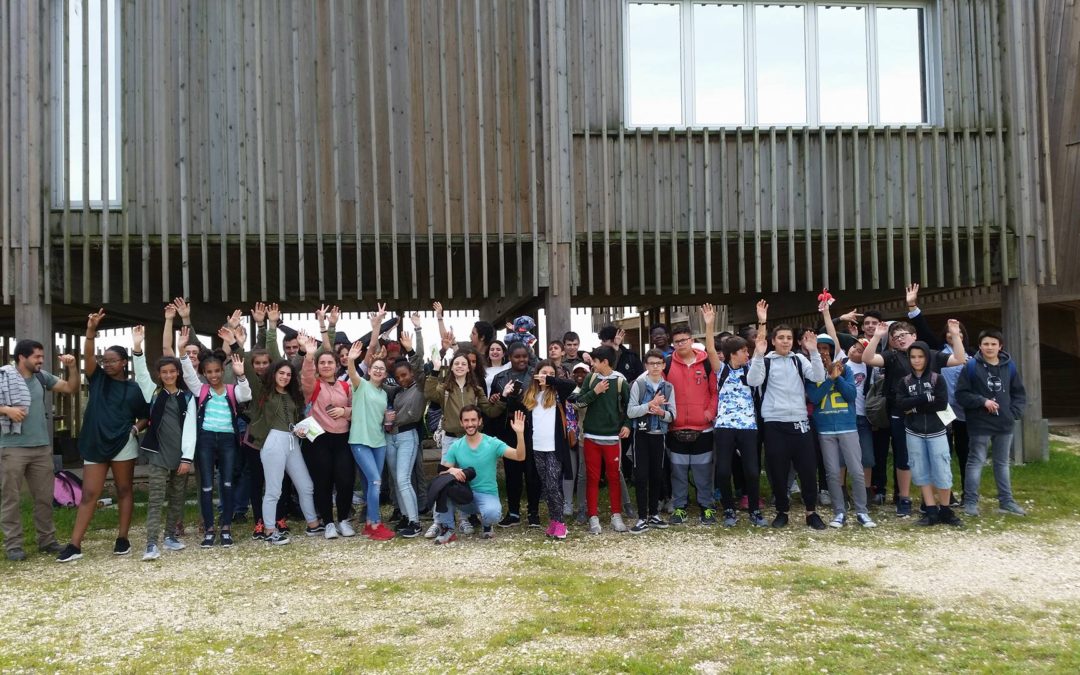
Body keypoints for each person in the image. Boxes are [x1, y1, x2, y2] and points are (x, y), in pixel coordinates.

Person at [58, 310, 151, 562]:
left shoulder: (133, 389)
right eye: (105, 360)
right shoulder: (97, 378)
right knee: (89, 493)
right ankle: (75, 545)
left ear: (124, 363)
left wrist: (135, 429)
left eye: (112, 360)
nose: (107, 364)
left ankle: (122, 539)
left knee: (124, 489)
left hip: (123, 444)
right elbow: (88, 354)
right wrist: (91, 330)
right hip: (95, 442)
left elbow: (145, 415)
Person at [861, 307, 967, 517]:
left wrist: (955, 336)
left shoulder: (932, 355)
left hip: (934, 416)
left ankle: (940, 499)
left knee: (938, 455)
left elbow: (959, 359)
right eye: (896, 337)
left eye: (904, 335)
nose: (900, 339)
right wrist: (878, 337)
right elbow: (867, 358)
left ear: (914, 336)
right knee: (905, 457)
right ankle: (905, 498)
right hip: (902, 414)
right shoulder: (891, 357)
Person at [745, 301, 828, 530]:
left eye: (789, 338)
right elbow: (753, 381)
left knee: (808, 469)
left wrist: (813, 351)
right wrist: (759, 355)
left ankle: (811, 512)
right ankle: (782, 510)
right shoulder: (766, 360)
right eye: (781, 338)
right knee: (777, 470)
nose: (785, 341)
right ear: (773, 341)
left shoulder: (798, 359)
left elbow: (818, 376)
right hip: (774, 423)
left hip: (800, 421)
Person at [0, 340, 79, 561]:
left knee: (44, 497)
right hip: (12, 447)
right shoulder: (3, 377)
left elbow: (71, 388)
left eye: (41, 357)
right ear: (22, 357)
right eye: (37, 357)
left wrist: (72, 367)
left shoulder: (41, 377)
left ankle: (47, 541)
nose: (41, 361)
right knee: (11, 498)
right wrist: (6, 410)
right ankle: (13, 546)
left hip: (41, 447)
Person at [178, 328, 252, 548]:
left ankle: (226, 528)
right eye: (209, 372)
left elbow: (246, 395)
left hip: (229, 439)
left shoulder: (231, 390)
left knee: (227, 483)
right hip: (206, 440)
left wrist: (241, 375)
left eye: (217, 371)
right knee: (207, 487)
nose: (214, 375)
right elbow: (188, 374)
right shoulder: (200, 390)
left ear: (223, 370)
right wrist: (182, 351)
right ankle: (210, 529)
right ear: (204, 372)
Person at [131, 326, 196, 560]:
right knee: (156, 498)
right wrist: (137, 347)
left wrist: (187, 457)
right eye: (164, 372)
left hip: (180, 456)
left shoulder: (187, 398)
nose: (168, 375)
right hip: (157, 453)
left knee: (177, 497)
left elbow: (190, 430)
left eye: (172, 371)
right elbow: (140, 374)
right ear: (159, 374)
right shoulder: (153, 393)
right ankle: (151, 543)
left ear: (178, 373)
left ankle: (170, 537)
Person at [424, 346, 501, 537]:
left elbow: (489, 411)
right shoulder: (445, 389)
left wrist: (503, 398)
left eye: (463, 364)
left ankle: (464, 520)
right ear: (451, 367)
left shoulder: (476, 389)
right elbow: (430, 394)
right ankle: (438, 521)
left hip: (470, 440)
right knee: (444, 479)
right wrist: (434, 370)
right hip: (450, 439)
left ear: (469, 368)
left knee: (465, 478)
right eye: (456, 363)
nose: (460, 366)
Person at [702, 304, 767, 529]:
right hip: (724, 425)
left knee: (751, 469)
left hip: (748, 425)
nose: (747, 354)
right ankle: (728, 508)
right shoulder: (722, 370)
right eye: (743, 351)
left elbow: (760, 346)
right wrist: (709, 325)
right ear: (732, 354)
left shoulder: (752, 369)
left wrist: (762, 322)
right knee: (723, 470)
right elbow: (711, 350)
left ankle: (755, 510)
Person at [246, 355, 321, 546]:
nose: (285, 377)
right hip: (273, 441)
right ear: (274, 373)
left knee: (306, 485)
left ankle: (312, 524)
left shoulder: (293, 394)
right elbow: (249, 372)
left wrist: (301, 430)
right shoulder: (263, 392)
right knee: (273, 489)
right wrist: (238, 345)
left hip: (292, 440)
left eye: (288, 374)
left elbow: (296, 418)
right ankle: (270, 530)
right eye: (281, 373)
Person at [806, 335, 876, 529]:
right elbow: (814, 397)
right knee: (832, 473)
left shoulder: (846, 369)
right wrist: (830, 379)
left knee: (856, 470)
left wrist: (838, 378)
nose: (822, 352)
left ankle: (862, 511)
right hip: (825, 428)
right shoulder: (810, 373)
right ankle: (839, 512)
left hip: (847, 425)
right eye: (818, 348)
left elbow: (852, 395)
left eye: (826, 348)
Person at [955, 329, 1027, 517]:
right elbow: (961, 394)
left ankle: (1006, 501)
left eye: (993, 344)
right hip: (979, 423)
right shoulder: (970, 367)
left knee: (1002, 463)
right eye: (986, 344)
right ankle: (970, 502)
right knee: (976, 461)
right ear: (980, 346)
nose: (989, 347)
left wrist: (1013, 413)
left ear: (1000, 346)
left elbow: (1019, 393)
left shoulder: (1009, 366)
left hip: (1004, 424)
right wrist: (982, 401)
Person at [504, 361, 578, 539]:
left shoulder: (558, 392)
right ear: (536, 374)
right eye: (543, 372)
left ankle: (561, 523)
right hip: (536, 447)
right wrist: (508, 394)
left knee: (554, 485)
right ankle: (553, 520)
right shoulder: (531, 394)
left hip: (554, 448)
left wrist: (551, 379)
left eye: (551, 373)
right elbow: (514, 408)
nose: (546, 376)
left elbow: (572, 384)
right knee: (546, 486)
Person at [432, 407, 527, 544]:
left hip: (487, 494)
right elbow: (442, 472)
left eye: (473, 420)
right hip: (465, 496)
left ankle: (487, 524)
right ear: (461, 423)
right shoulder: (456, 446)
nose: (470, 424)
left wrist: (520, 434)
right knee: (443, 488)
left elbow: (520, 456)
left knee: (493, 515)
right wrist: (452, 470)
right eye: (466, 420)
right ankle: (448, 529)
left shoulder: (492, 443)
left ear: (480, 421)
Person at [895, 341, 963, 527]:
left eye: (921, 356)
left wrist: (914, 406)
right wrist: (924, 398)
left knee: (942, 470)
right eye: (913, 357)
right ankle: (931, 511)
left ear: (927, 357)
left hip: (937, 431)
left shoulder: (937, 379)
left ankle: (946, 510)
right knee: (920, 470)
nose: (917, 360)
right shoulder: (905, 381)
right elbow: (901, 405)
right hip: (914, 432)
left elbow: (941, 403)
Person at [297, 329, 356, 540]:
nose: (326, 366)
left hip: (342, 438)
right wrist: (310, 355)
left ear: (337, 365)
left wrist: (345, 412)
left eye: (330, 362)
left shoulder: (344, 386)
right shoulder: (313, 385)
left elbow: (355, 409)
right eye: (322, 363)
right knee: (322, 481)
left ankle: (343, 519)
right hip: (319, 438)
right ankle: (328, 522)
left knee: (345, 480)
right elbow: (306, 376)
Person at [346, 307, 396, 541]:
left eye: (381, 369)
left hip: (379, 442)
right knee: (376, 480)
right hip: (359, 442)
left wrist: (388, 420)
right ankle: (375, 524)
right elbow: (354, 374)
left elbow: (382, 419)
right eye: (375, 368)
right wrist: (351, 360)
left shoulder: (385, 394)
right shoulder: (361, 386)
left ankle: (368, 522)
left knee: (369, 482)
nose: (377, 370)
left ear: (385, 374)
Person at [663, 321, 718, 526]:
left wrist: (708, 413)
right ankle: (679, 507)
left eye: (684, 340)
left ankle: (707, 507)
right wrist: (669, 415)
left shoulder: (706, 363)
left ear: (692, 340)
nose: (680, 344)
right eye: (676, 342)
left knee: (703, 470)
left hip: (702, 427)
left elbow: (715, 392)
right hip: (675, 427)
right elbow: (661, 391)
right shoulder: (666, 364)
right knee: (677, 470)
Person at [575, 345, 632, 534]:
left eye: (594, 361)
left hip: (612, 438)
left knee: (614, 476)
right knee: (592, 478)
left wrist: (627, 425)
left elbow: (629, 407)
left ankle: (617, 516)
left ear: (604, 362)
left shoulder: (619, 381)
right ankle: (593, 517)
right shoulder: (591, 379)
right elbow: (579, 402)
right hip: (590, 437)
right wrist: (595, 391)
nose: (592, 364)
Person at [625, 349, 675, 534]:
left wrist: (662, 413)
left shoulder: (668, 387)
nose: (655, 367)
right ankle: (641, 517)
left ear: (663, 365)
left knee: (657, 475)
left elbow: (672, 416)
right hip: (642, 435)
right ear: (646, 365)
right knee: (641, 476)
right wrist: (650, 405)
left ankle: (654, 514)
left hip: (659, 435)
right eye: (651, 363)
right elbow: (630, 412)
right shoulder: (638, 384)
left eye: (658, 363)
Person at [489, 342, 538, 527]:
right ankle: (514, 512)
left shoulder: (535, 375)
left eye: (524, 356)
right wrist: (497, 397)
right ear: (509, 358)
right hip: (509, 427)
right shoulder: (500, 377)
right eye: (517, 356)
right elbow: (494, 402)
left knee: (532, 471)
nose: (521, 360)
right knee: (512, 472)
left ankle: (533, 513)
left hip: (530, 425)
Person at [386, 319, 427, 538]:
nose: (402, 379)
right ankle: (404, 515)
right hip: (391, 436)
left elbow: (419, 364)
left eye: (405, 375)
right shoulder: (397, 392)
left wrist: (417, 335)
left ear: (411, 373)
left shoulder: (419, 386)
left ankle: (415, 521)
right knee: (395, 478)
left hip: (408, 436)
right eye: (398, 376)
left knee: (403, 479)